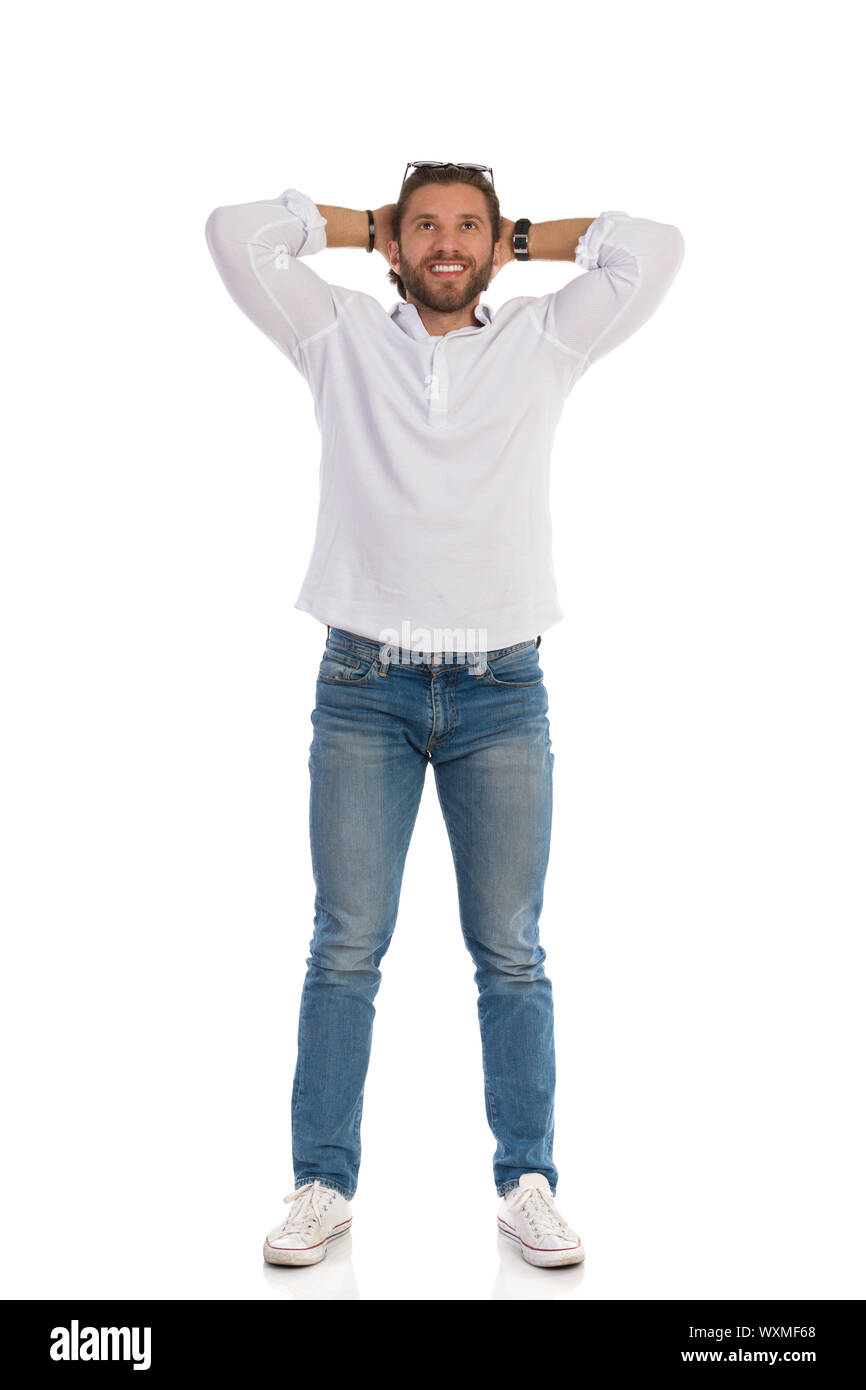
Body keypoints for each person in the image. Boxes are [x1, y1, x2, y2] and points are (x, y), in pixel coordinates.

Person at [205, 162, 685, 1270]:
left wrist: (522, 239)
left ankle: (527, 1180)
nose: (446, 243)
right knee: (344, 948)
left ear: (494, 236)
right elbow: (235, 236)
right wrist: (353, 222)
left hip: (499, 689)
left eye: (466, 225)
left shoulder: (542, 340)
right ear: (393, 243)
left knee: (510, 952)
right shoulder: (334, 338)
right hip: (363, 689)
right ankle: (321, 1183)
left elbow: (649, 249)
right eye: (423, 226)